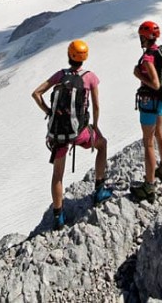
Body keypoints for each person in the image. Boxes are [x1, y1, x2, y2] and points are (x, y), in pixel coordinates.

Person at [31, 39, 112, 230]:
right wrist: (95, 126)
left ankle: (58, 217)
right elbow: (97, 106)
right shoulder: (90, 77)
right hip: (79, 132)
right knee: (102, 144)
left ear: (69, 56)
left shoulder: (61, 75)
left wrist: (49, 112)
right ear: (85, 58)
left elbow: (36, 93)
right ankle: (99, 191)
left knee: (57, 174)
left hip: (58, 133)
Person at [131, 20, 162, 201]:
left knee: (147, 142)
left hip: (150, 102)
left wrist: (139, 75)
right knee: (159, 132)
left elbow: (155, 84)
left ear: (145, 37)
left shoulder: (148, 58)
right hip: (160, 101)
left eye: (141, 36)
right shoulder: (160, 51)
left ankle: (149, 185)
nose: (140, 39)